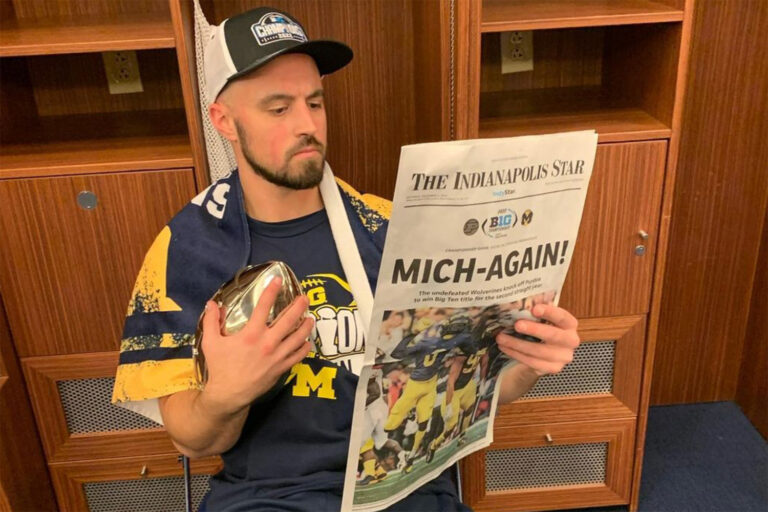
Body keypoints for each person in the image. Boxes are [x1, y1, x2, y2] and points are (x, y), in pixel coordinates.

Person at [111, 6, 580, 512]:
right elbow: (194, 442)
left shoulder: (393, 228)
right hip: (270, 497)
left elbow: (460, 392)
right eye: (278, 108)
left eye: (315, 102)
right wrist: (226, 393)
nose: (307, 125)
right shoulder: (188, 249)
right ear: (223, 119)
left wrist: (527, 363)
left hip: (405, 488)